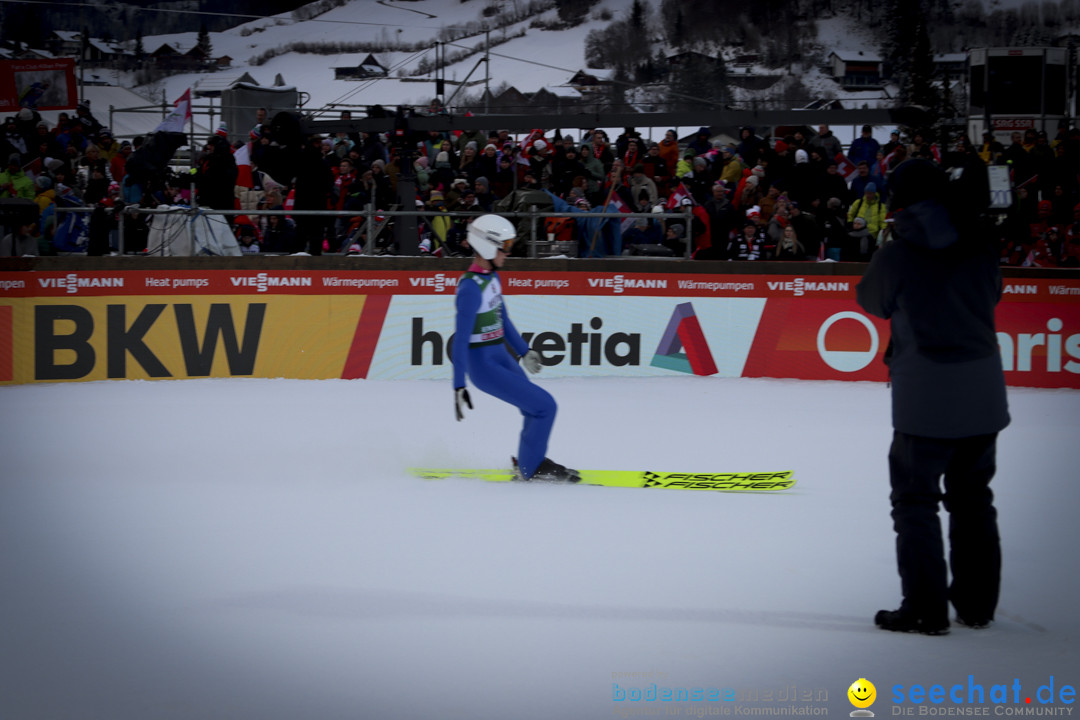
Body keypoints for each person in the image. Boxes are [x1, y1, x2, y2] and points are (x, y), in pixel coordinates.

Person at [856, 158, 1009, 636]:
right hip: (983, 391)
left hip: (925, 395)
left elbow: (871, 302)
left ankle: (924, 609)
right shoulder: (980, 242)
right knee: (973, 498)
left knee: (915, 501)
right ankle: (977, 605)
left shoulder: (897, 255)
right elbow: (994, 295)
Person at [451, 214, 578, 483]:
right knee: (546, 407)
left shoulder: (492, 278)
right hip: (485, 367)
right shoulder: (470, 289)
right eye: (504, 246)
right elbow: (460, 340)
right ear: (486, 245)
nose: (508, 252)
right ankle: (531, 469)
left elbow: (503, 319)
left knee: (535, 409)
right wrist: (458, 385)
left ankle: (530, 462)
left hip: (501, 356)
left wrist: (524, 351)